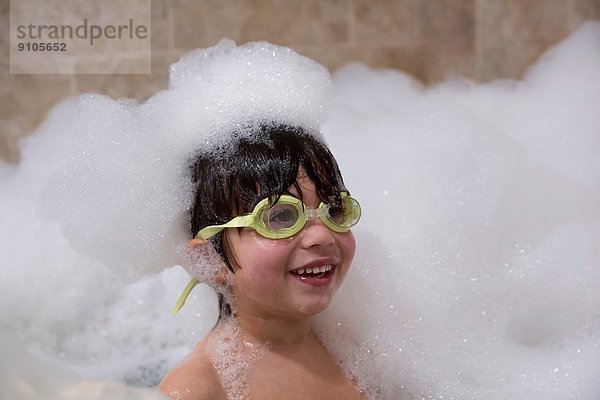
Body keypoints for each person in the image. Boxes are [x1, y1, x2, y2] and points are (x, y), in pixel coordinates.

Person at [158, 123, 363, 400]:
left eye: (335, 209)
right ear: (209, 258)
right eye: (280, 217)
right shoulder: (198, 389)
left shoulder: (362, 347)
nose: (323, 235)